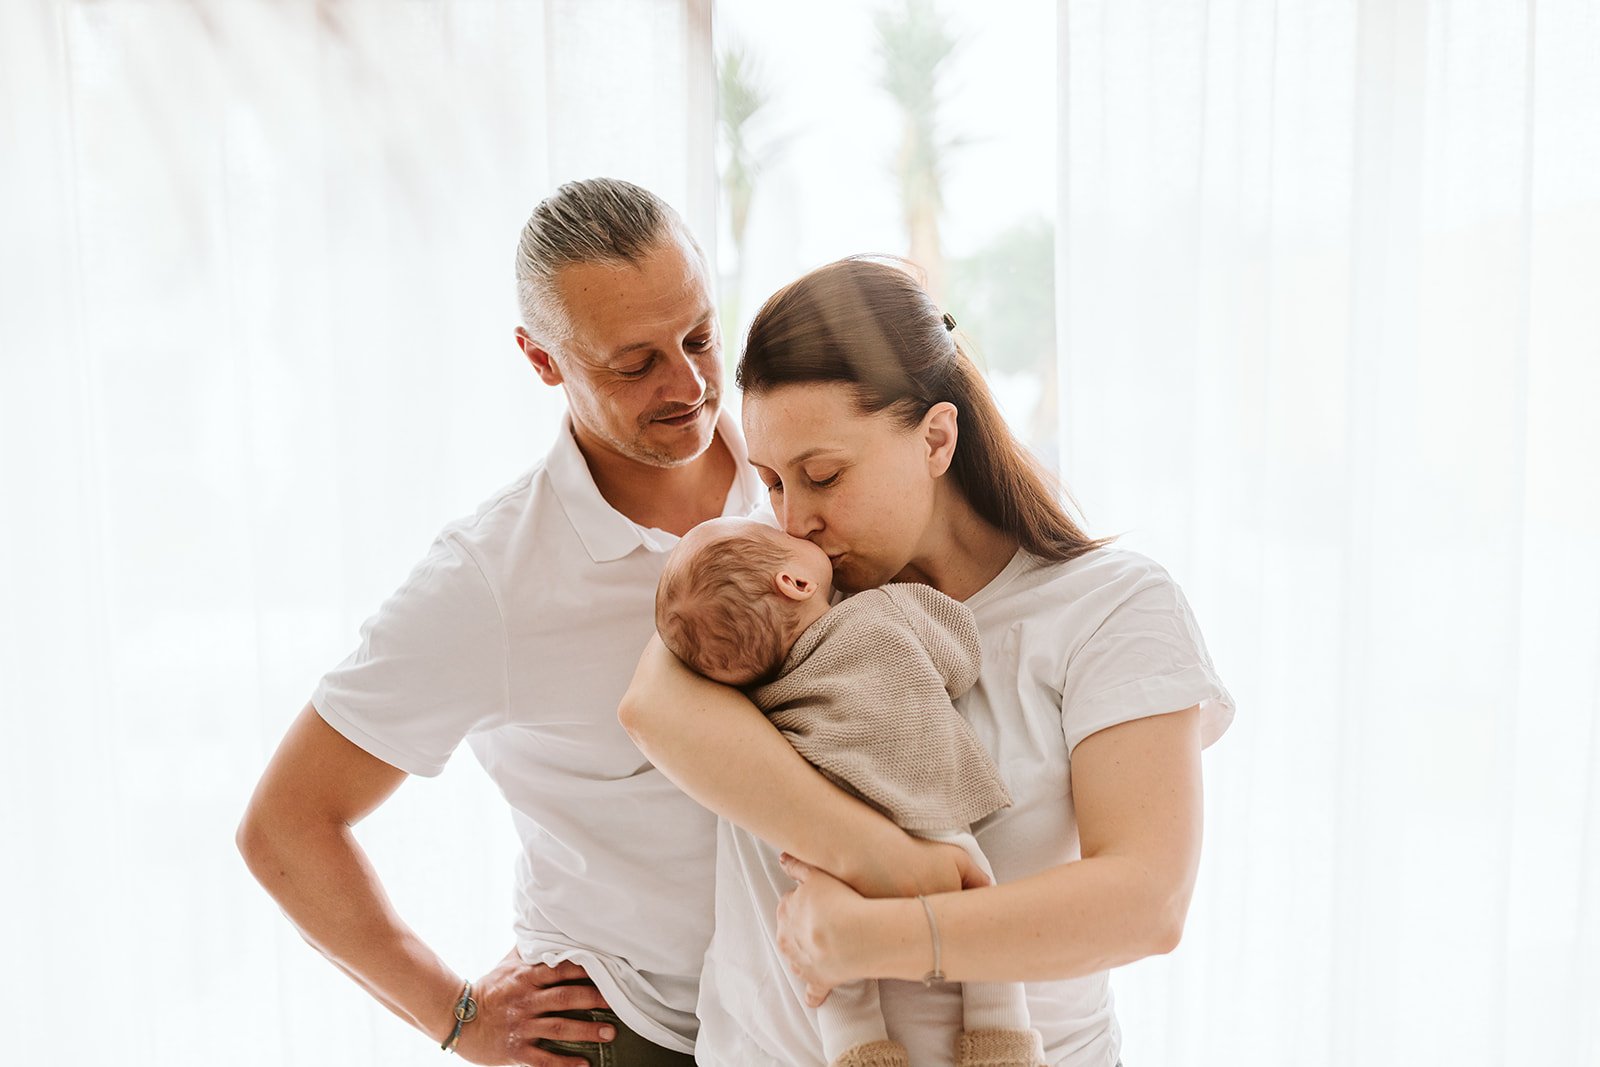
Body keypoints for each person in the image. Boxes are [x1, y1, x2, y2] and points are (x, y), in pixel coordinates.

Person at [619, 256, 1236, 1067]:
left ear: (937, 438)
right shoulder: (779, 585)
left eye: (822, 475)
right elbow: (654, 708)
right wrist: (884, 859)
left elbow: (1146, 901)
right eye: (771, 483)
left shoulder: (1109, 607)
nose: (795, 518)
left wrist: (880, 937)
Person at [237, 177, 771, 1067]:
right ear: (542, 359)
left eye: (700, 337)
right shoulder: (489, 580)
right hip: (633, 1031)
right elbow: (286, 826)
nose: (686, 383)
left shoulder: (800, 471)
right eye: (634, 363)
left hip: (812, 1021)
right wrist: (457, 1015)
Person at [654, 516, 1044, 1067]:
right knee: (980, 909)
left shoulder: (756, 706)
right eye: (785, 540)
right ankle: (999, 1037)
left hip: (828, 848)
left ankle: (857, 1049)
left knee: (828, 958)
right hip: (924, 816)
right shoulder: (878, 614)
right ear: (795, 582)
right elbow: (958, 656)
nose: (796, 525)